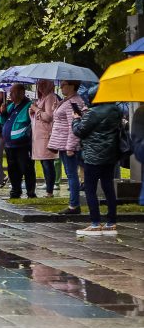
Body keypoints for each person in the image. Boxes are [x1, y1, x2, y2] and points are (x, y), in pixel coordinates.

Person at [72, 86, 122, 235]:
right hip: (110, 154)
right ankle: (111, 221)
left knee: (90, 188)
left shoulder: (93, 113)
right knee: (108, 186)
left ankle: (95, 223)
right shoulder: (116, 111)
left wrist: (76, 119)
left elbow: (79, 131)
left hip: (93, 156)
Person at [47, 80, 85, 215]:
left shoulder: (73, 102)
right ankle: (73, 204)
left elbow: (73, 126)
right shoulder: (68, 101)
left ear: (72, 86)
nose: (61, 87)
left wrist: (70, 147)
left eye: (64, 85)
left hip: (68, 144)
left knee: (71, 174)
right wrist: (56, 109)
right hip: (62, 142)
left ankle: (74, 205)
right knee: (71, 174)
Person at [3, 84, 36, 199]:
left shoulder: (29, 105)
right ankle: (15, 190)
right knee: (12, 169)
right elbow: (3, 121)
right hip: (9, 144)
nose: (10, 95)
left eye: (13, 92)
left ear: (22, 93)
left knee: (26, 168)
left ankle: (30, 192)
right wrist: (1, 112)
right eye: (10, 92)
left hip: (23, 143)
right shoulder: (11, 106)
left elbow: (30, 122)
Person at [30, 79, 59, 197]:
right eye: (39, 84)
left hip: (45, 135)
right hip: (38, 136)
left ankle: (49, 190)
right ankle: (48, 187)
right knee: (43, 162)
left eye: (43, 84)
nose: (40, 86)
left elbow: (48, 116)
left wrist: (36, 109)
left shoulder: (50, 98)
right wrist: (33, 110)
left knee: (47, 162)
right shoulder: (41, 99)